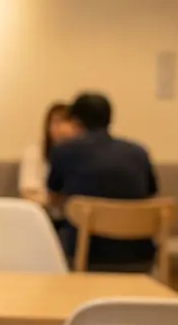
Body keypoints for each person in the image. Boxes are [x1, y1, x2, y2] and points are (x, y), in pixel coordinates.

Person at [46, 92, 158, 271]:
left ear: (76, 122)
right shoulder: (139, 152)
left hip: (86, 254)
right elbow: (150, 195)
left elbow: (54, 199)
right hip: (139, 256)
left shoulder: (64, 151)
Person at [18, 102, 74, 218]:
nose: (62, 129)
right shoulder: (34, 152)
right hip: (41, 215)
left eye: (66, 122)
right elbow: (28, 193)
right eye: (56, 122)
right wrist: (55, 200)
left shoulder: (81, 155)